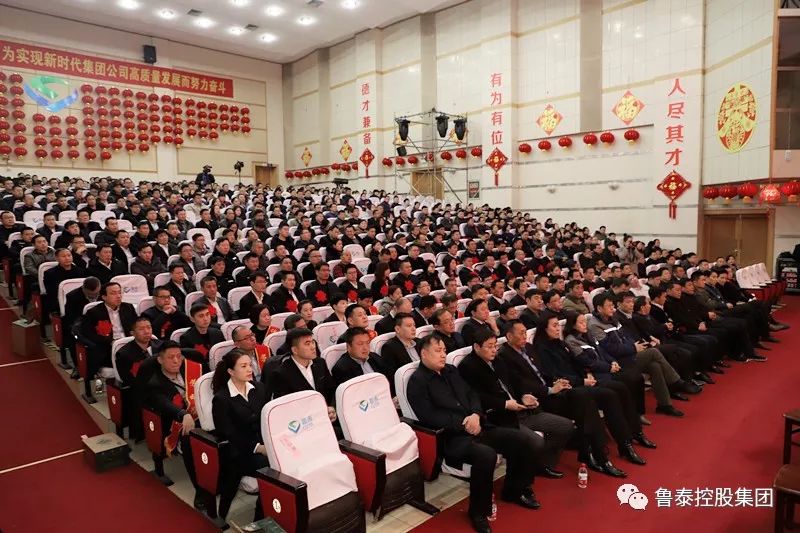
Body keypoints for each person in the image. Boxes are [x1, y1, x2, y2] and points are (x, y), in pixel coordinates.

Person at [407, 334, 541, 533]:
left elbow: (472, 394)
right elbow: (429, 416)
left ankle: (515, 490)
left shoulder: (451, 370)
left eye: (444, 350)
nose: (443, 355)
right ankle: (478, 512)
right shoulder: (417, 382)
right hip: (452, 438)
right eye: (438, 351)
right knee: (486, 454)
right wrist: (465, 424)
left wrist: (476, 415)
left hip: (478, 425)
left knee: (523, 440)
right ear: (423, 354)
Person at [499, 320, 627, 478]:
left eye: (526, 332)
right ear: (509, 336)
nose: (525, 336)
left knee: (585, 402)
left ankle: (595, 453)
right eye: (521, 333)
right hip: (537, 399)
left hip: (552, 391)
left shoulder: (529, 348)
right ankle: (595, 455)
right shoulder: (504, 356)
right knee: (583, 400)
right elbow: (521, 384)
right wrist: (550, 389)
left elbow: (543, 373)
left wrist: (556, 382)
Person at [536, 314, 653, 466]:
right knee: (609, 395)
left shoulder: (559, 343)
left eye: (558, 325)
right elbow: (554, 375)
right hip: (567, 388)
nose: (558, 328)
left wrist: (587, 374)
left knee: (620, 388)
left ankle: (634, 433)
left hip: (581, 381)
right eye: (554, 326)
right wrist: (582, 380)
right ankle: (618, 447)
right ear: (544, 329)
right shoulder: (542, 349)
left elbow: (575, 363)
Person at [458, 328, 573, 479]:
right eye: (489, 346)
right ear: (476, 347)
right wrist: (505, 404)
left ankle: (542, 464)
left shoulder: (497, 360)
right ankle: (530, 469)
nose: (494, 350)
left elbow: (515, 381)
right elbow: (477, 397)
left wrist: (524, 395)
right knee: (536, 441)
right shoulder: (468, 367)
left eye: (495, 346)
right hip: (501, 417)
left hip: (521, 409)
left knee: (565, 426)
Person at [589, 292, 687, 416]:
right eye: (609, 306)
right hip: (617, 361)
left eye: (612, 305)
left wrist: (634, 345)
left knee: (654, 366)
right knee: (653, 352)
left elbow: (626, 336)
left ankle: (665, 405)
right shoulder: (594, 325)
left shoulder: (613, 318)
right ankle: (676, 381)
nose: (612, 308)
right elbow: (610, 349)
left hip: (629, 354)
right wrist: (633, 348)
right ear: (599, 308)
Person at [142, 342, 203, 511]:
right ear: (160, 360)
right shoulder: (155, 383)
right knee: (190, 441)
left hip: (202, 415)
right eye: (170, 357)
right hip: (174, 422)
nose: (176, 361)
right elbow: (164, 404)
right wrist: (183, 414)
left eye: (179, 356)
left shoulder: (191, 370)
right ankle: (200, 490)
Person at [211, 350, 270, 521]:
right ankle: (259, 519)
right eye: (243, 366)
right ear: (231, 371)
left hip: (263, 443)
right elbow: (228, 432)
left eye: (249, 365)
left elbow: (267, 417)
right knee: (272, 472)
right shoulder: (222, 398)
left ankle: (261, 516)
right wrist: (257, 447)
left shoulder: (259, 388)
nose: (249, 369)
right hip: (238, 450)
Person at [267, 328, 337, 424]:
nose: (313, 347)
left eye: (313, 342)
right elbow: (286, 408)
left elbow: (331, 389)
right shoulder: (281, 374)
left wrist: (332, 407)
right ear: (295, 350)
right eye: (307, 344)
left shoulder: (320, 363)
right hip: (303, 422)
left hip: (325, 417)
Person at [80, 282, 137, 389]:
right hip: (108, 347)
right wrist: (109, 341)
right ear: (104, 297)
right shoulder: (94, 312)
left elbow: (136, 325)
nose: (118, 296)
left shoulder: (128, 308)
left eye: (119, 293)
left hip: (129, 343)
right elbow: (87, 333)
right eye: (113, 293)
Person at [115, 316, 161, 387]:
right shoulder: (123, 354)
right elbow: (128, 380)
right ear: (132, 333)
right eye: (141, 329)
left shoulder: (160, 346)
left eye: (149, 327)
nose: (147, 332)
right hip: (139, 388)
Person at [180, 304, 225, 372]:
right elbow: (188, 363)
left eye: (207, 314)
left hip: (220, 369)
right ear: (192, 319)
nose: (205, 319)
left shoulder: (218, 333)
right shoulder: (186, 338)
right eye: (201, 316)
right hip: (200, 371)